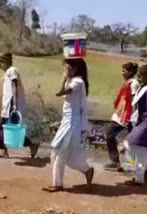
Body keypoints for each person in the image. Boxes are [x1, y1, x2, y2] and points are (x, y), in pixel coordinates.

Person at [42, 58, 94, 193]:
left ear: (77, 68)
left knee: (59, 150)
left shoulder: (77, 82)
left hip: (72, 122)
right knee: (70, 156)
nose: (66, 68)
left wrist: (64, 77)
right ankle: (87, 170)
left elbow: (60, 92)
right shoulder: (75, 81)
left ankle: (57, 184)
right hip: (70, 121)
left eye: (69, 66)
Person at [0, 52, 39, 158]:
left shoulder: (12, 70)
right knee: (9, 129)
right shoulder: (7, 72)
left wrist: (14, 105)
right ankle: (30, 145)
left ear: (5, 62)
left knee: (7, 128)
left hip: (12, 104)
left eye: (1, 63)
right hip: (7, 104)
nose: (0, 65)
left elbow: (14, 87)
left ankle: (4, 150)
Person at [122, 63, 147, 186]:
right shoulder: (142, 89)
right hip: (139, 122)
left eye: (142, 76)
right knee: (134, 146)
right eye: (139, 76)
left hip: (146, 124)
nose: (139, 78)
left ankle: (139, 176)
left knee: (135, 147)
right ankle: (140, 172)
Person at [105, 62, 139, 170]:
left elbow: (134, 101)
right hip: (121, 114)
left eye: (124, 71)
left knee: (131, 142)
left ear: (131, 72)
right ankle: (118, 162)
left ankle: (133, 164)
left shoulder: (133, 84)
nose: (122, 73)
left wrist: (133, 117)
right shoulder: (128, 83)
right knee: (111, 134)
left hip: (127, 116)